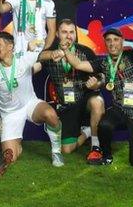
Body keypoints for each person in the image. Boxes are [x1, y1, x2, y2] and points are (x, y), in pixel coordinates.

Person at [0, 32, 64, 167]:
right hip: (10, 115)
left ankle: (56, 151)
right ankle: (16, 145)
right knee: (10, 157)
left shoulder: (22, 59)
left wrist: (53, 54)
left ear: (10, 47)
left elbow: (41, 55)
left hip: (30, 104)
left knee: (50, 114)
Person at [63, 26, 133, 166]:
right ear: (105, 43)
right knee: (104, 124)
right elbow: (78, 64)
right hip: (119, 108)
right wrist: (65, 49)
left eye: (116, 40)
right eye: (108, 40)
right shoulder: (103, 62)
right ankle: (106, 156)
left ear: (122, 41)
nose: (112, 43)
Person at [38, 19, 104, 161]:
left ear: (75, 34)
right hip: (68, 105)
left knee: (97, 102)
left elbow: (101, 77)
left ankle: (95, 145)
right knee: (66, 150)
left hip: (86, 99)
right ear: (57, 34)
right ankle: (86, 133)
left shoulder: (85, 51)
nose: (68, 36)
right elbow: (38, 56)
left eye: (71, 32)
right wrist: (51, 54)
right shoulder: (51, 53)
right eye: (64, 32)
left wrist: (96, 84)